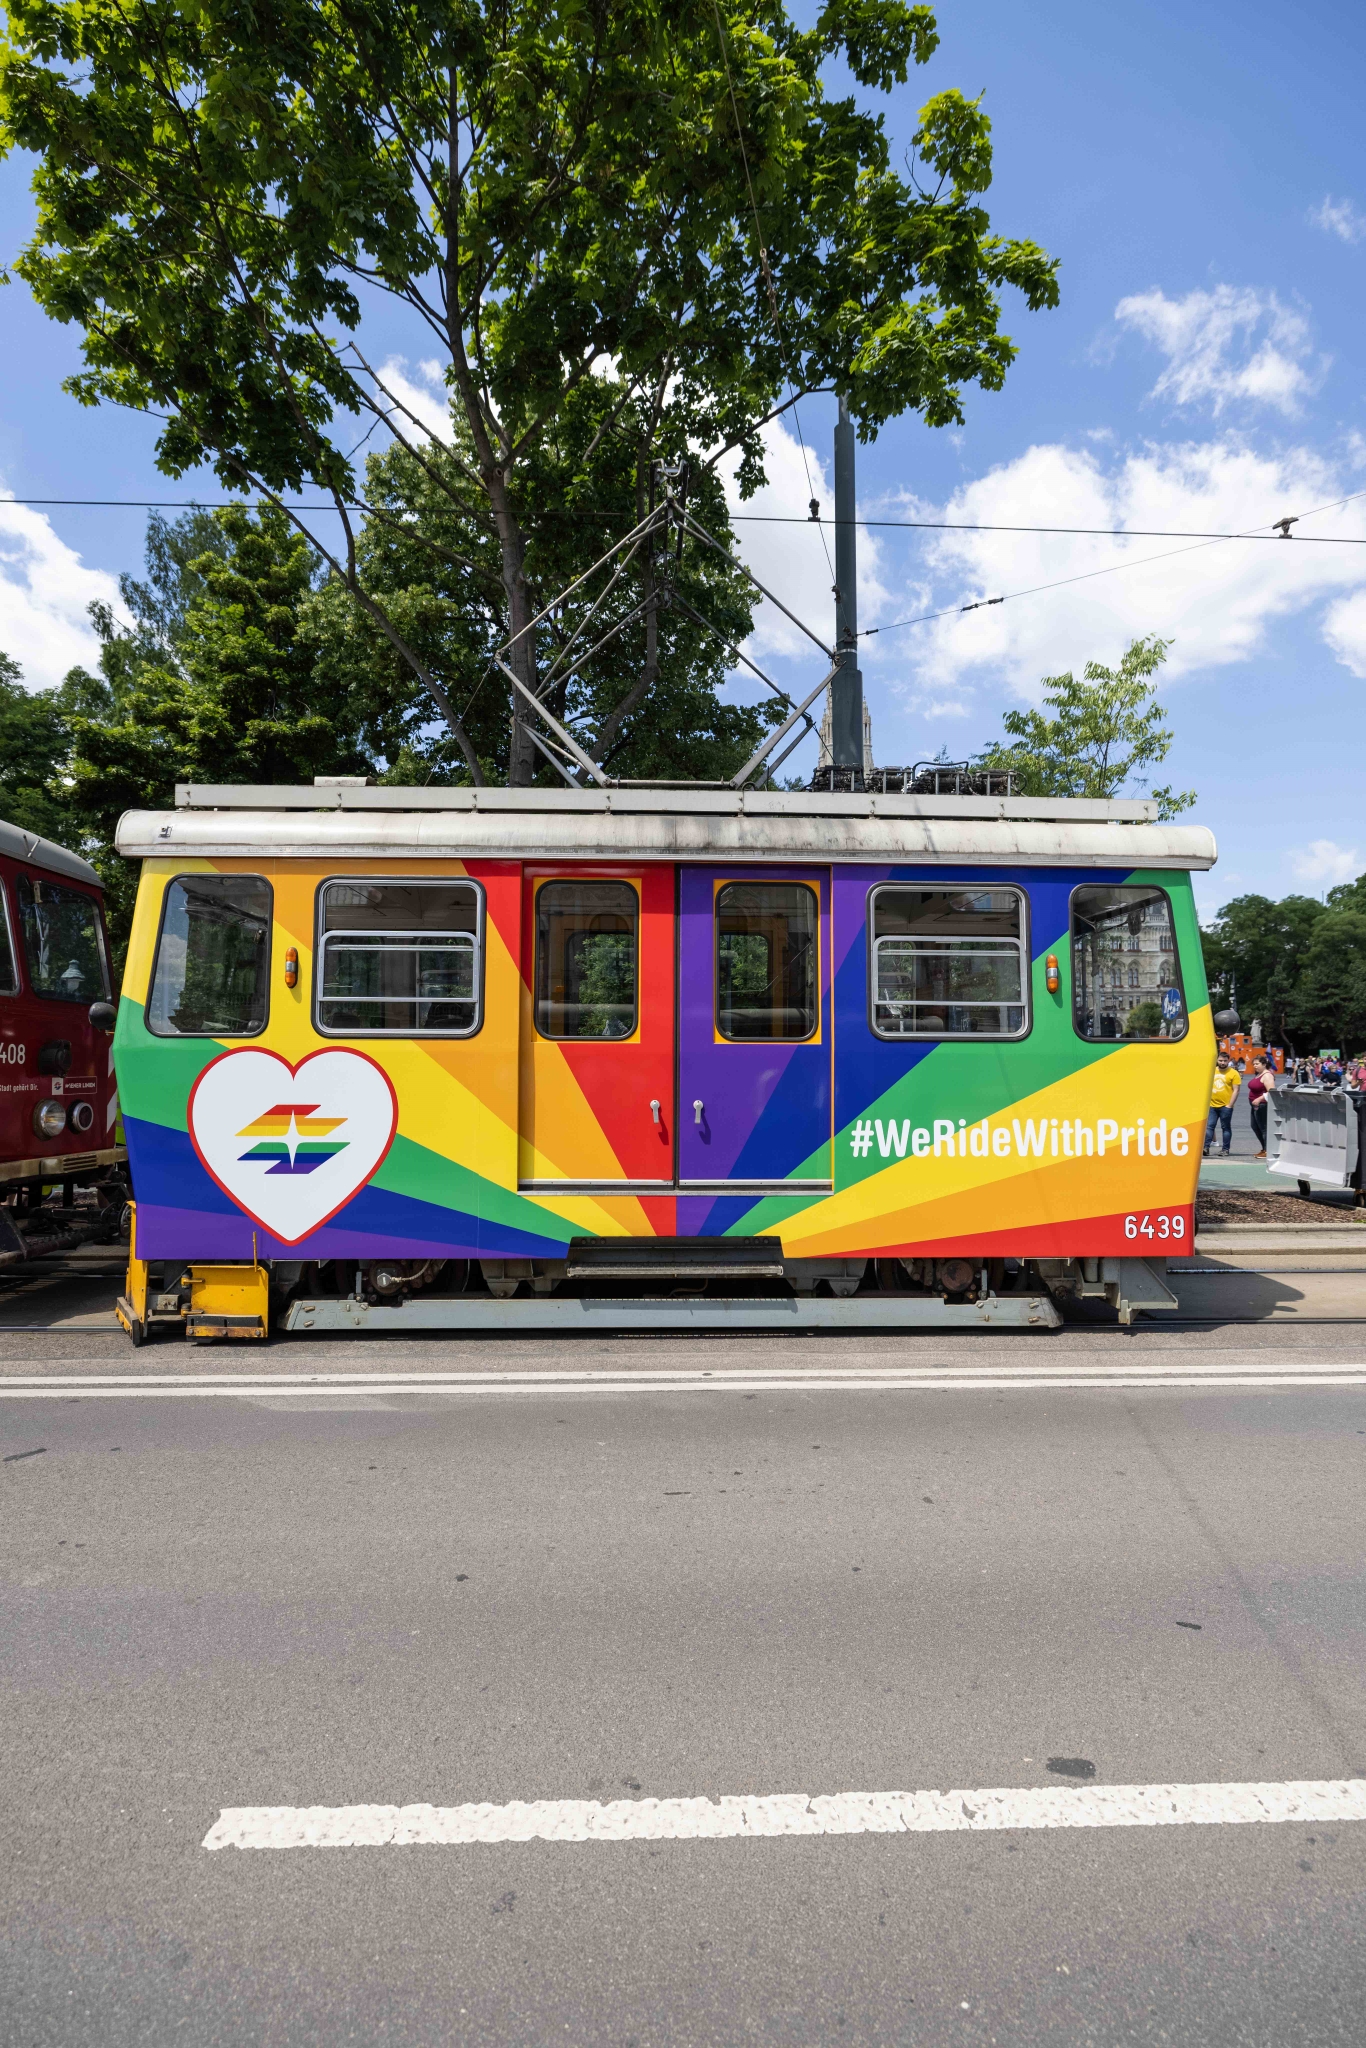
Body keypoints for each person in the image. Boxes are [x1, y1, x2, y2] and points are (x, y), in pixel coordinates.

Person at [1205, 1051, 1241, 1156]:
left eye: (1225, 1061)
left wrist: (1229, 1105)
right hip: (1212, 1105)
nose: (1222, 1063)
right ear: (1217, 1060)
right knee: (1209, 1127)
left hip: (1226, 1106)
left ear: (1228, 1061)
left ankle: (1225, 1149)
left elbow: (1236, 1090)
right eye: (1220, 1060)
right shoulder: (1211, 1071)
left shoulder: (1234, 1073)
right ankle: (1206, 1148)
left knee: (1225, 1128)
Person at [1247, 1055, 1273, 1159]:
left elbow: (1271, 1091)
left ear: (1264, 1064)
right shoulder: (1259, 1074)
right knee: (1255, 1127)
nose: (1255, 1066)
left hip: (1262, 1105)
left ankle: (1268, 1150)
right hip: (1254, 1105)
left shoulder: (1267, 1075)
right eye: (1254, 1064)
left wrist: (1259, 1099)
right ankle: (1264, 1148)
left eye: (1257, 1064)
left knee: (1263, 1128)